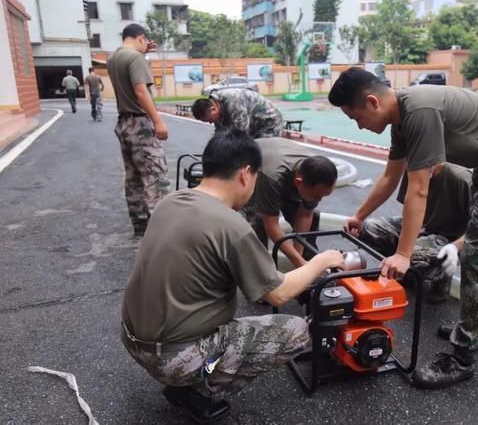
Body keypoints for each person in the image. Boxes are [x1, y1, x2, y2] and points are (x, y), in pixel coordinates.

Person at [328, 67, 478, 389]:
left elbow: (419, 188)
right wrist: (360, 215)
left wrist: (403, 254)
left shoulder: (418, 110)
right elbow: (390, 177)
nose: (359, 125)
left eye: (356, 117)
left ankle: (462, 357)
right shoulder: (401, 120)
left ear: (372, 101)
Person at [121, 128, 345, 422]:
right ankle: (200, 383)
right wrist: (323, 260)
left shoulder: (170, 201)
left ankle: (189, 376)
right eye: (255, 179)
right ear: (245, 174)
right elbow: (277, 293)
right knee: (295, 332)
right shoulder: (232, 225)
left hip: (133, 340)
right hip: (175, 360)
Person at [358, 163, 471, 304]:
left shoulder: (461, 180)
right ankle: (406, 272)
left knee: (415, 255)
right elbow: (410, 208)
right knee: (369, 229)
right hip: (423, 227)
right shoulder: (413, 168)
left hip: (450, 239)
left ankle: (440, 279)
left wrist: (455, 247)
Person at [107, 23, 171, 237]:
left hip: (124, 123)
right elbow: (141, 91)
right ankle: (162, 233)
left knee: (133, 176)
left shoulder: (113, 57)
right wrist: (158, 121)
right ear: (141, 38)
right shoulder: (136, 58)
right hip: (141, 124)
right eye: (145, 43)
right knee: (155, 177)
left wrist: (144, 54)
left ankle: (141, 225)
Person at [252, 137, 337, 268]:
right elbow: (271, 225)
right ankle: (261, 272)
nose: (318, 200)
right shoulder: (272, 177)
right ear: (299, 183)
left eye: (323, 196)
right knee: (256, 227)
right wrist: (297, 261)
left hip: (285, 173)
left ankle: (309, 261)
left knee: (312, 217)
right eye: (316, 196)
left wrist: (299, 257)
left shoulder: (317, 170)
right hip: (254, 173)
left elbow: (305, 214)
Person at [191, 89, 283, 139]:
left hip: (269, 121)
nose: (211, 123)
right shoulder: (215, 104)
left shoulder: (233, 103)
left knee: (263, 151)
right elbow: (220, 134)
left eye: (210, 120)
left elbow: (241, 134)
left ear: (213, 109)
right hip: (254, 122)